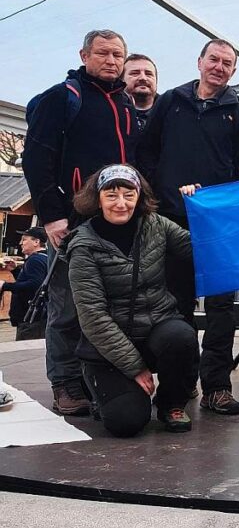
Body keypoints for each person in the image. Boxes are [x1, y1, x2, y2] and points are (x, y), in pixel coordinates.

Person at [136, 39, 239, 416]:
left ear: (233, 71)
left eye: (227, 63)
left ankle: (217, 386)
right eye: (214, 60)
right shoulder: (170, 101)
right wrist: (161, 192)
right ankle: (182, 380)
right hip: (171, 218)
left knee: (222, 307)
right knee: (177, 304)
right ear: (200, 61)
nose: (219, 67)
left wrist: (224, 205)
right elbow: (147, 152)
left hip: (218, 225)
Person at [23, 29, 139, 416]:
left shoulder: (125, 104)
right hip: (71, 222)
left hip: (116, 223)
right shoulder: (62, 97)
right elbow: (35, 158)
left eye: (117, 55)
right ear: (84, 55)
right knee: (67, 306)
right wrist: (52, 216)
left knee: (106, 306)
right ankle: (65, 383)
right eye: (102, 53)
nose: (111, 60)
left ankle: (94, 379)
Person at [65, 164, 197, 436]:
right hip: (108, 348)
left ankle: (172, 404)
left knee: (182, 336)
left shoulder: (156, 224)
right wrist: (135, 368)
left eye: (129, 195)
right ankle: (103, 391)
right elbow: (92, 315)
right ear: (97, 199)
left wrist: (196, 208)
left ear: (139, 196)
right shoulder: (83, 246)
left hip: (156, 327)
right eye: (111, 195)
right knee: (126, 422)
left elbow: (200, 249)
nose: (121, 203)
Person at [0, 228, 49, 328]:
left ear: (36, 242)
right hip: (38, 317)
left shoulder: (35, 260)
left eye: (24, 239)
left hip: (30, 318)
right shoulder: (45, 257)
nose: (20, 243)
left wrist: (4, 285)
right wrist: (15, 270)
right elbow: (34, 280)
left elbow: (34, 285)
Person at [123, 55, 159, 130]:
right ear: (121, 80)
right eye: (135, 73)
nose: (143, 78)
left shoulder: (171, 113)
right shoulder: (110, 113)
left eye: (148, 74)